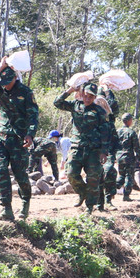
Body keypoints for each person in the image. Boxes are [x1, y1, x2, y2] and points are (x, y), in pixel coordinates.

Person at [0, 59, 39, 221]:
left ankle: (25, 204)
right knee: (0, 170)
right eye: (2, 82)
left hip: (18, 139)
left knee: (19, 173)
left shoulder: (25, 92)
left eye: (8, 82)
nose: (5, 85)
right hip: (0, 136)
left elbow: (33, 116)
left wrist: (30, 135)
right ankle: (6, 208)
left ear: (15, 78)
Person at [55, 82, 112, 213]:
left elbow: (105, 132)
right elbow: (57, 103)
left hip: (94, 150)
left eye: (91, 97)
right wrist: (69, 90)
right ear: (82, 94)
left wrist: (104, 152)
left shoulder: (100, 111)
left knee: (93, 178)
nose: (87, 99)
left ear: (94, 97)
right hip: (77, 147)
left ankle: (90, 206)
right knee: (71, 173)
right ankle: (82, 193)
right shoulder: (75, 105)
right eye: (86, 96)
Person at [97, 86, 120, 209]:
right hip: (95, 148)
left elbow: (113, 105)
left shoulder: (109, 115)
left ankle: (108, 200)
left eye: (103, 101)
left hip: (109, 148)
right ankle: (97, 202)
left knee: (109, 170)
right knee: (98, 174)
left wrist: (107, 91)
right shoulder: (92, 113)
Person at [115, 113, 140, 203]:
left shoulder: (117, 131)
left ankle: (114, 187)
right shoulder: (131, 132)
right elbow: (136, 147)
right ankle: (126, 196)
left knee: (122, 175)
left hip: (119, 157)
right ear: (129, 121)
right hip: (129, 157)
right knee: (129, 176)